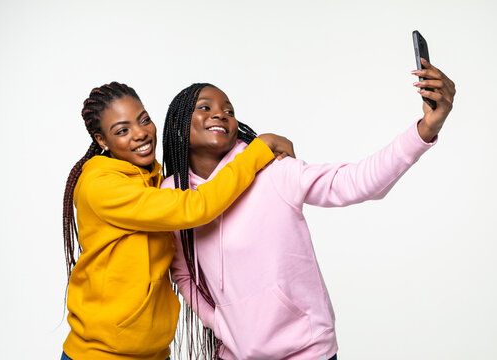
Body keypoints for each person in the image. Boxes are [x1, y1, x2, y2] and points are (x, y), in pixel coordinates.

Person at [162, 59, 455, 360]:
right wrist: (220, 324)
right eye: (205, 107)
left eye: (229, 110)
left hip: (306, 352)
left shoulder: (272, 172)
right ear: (177, 124)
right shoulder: (172, 194)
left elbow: (357, 182)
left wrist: (424, 130)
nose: (220, 115)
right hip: (234, 355)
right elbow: (183, 272)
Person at [60, 81, 294, 360]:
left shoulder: (150, 179)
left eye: (144, 120)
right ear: (101, 141)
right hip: (100, 355)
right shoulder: (102, 187)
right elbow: (196, 208)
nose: (140, 134)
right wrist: (259, 150)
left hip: (155, 353)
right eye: (122, 131)